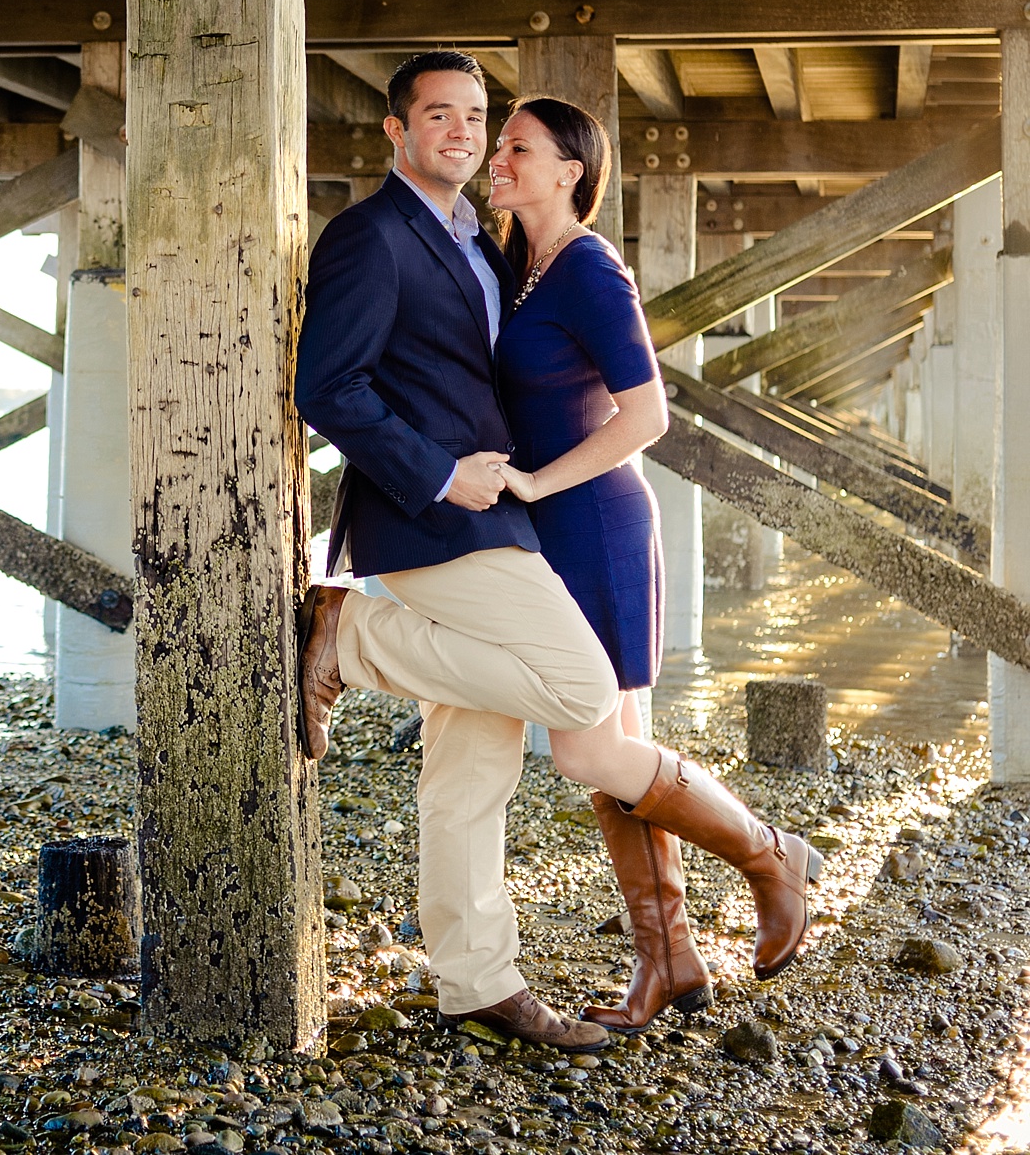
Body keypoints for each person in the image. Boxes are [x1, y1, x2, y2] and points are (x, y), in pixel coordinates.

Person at [295, 51, 621, 1053]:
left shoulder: (481, 243)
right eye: (438, 114)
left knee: (471, 773)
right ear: (397, 131)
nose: (462, 131)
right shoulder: (369, 238)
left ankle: (479, 980)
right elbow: (330, 389)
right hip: (431, 518)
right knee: (581, 689)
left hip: (493, 515)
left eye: (476, 115)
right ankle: (348, 635)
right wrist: (439, 472)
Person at [484, 95, 820, 1032]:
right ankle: (667, 961)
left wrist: (542, 485)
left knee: (587, 747)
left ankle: (770, 855)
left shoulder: (589, 268)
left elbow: (649, 415)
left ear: (570, 172)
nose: (498, 158)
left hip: (591, 519)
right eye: (500, 145)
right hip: (554, 522)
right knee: (613, 758)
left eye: (519, 147)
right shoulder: (516, 265)